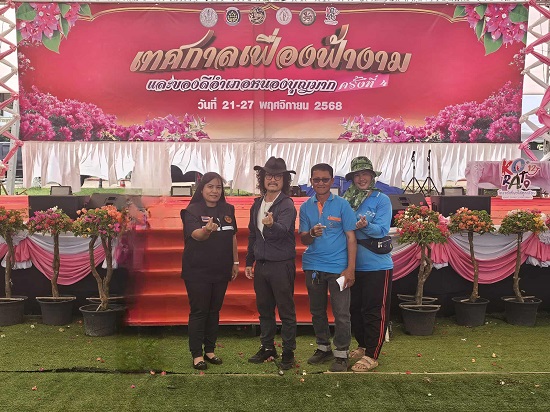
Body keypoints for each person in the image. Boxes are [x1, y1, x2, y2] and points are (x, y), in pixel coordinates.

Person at [299, 163, 357, 372]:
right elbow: (303, 239)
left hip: (338, 268)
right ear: (311, 181)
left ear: (332, 181)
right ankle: (323, 348)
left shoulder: (342, 205)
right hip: (313, 266)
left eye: (325, 179)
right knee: (317, 311)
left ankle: (341, 354)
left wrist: (350, 269)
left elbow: (351, 238)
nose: (321, 183)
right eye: (316, 179)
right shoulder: (305, 207)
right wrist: (311, 234)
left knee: (341, 313)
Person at [180, 172, 239, 370]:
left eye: (218, 187)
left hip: (221, 268)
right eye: (210, 187)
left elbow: (232, 236)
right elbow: (197, 235)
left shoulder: (228, 209)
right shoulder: (191, 211)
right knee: (199, 311)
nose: (215, 191)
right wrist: (206, 230)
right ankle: (197, 354)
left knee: (214, 311)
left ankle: (210, 350)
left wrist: (235, 262)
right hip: (197, 269)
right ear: (202, 188)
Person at [245, 157, 298, 371]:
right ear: (262, 179)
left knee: (286, 311)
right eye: (269, 175)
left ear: (284, 180)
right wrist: (249, 261)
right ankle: (267, 347)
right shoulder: (257, 204)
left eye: (277, 176)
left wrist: (271, 225)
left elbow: (283, 230)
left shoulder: (287, 204)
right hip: (262, 265)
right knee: (265, 310)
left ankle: (288, 352)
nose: (273, 180)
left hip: (281, 265)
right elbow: (252, 235)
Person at [342, 156, 393, 372]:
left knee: (374, 311)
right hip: (352, 265)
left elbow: (382, 230)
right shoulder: (345, 199)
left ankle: (372, 354)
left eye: (365, 174)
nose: (361, 178)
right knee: (354, 309)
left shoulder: (382, 199)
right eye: (357, 175)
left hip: (376, 265)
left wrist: (365, 226)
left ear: (372, 176)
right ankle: (362, 346)